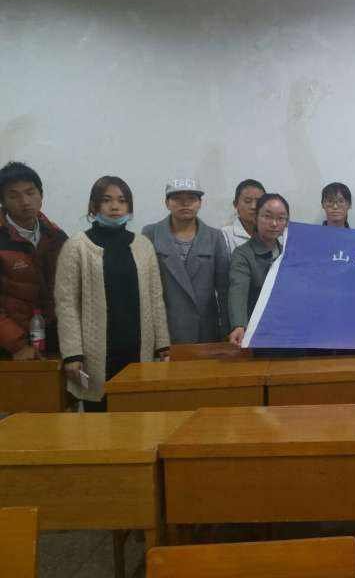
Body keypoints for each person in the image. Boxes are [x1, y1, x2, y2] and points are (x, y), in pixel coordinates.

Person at [54, 176, 169, 412]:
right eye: (106, 200)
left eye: (122, 200)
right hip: (96, 356)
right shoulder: (77, 246)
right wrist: (72, 353)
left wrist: (162, 344)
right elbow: (66, 304)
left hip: (138, 350)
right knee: (100, 424)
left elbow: (155, 297)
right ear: (94, 205)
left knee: (140, 419)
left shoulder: (143, 245)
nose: (115, 206)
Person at [142, 178, 230, 344]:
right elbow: (145, 289)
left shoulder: (214, 237)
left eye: (191, 198)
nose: (185, 204)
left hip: (205, 331)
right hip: (165, 330)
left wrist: (227, 330)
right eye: (177, 198)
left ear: (200, 203)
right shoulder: (151, 234)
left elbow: (224, 289)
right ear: (167, 203)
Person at [0, 162, 67, 359]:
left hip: (53, 342)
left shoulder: (56, 236)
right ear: (3, 201)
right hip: (8, 348)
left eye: (30, 192)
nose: (25, 201)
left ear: (41, 194)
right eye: (14, 196)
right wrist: (17, 345)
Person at [228, 194, 289, 346]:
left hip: (287, 331)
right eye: (267, 216)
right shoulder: (243, 254)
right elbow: (238, 290)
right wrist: (239, 325)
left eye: (281, 218)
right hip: (257, 333)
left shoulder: (289, 253)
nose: (274, 223)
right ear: (255, 218)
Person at [221, 179, 266, 254]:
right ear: (235, 204)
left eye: (259, 201)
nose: (253, 206)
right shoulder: (224, 235)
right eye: (248, 201)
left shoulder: (273, 231)